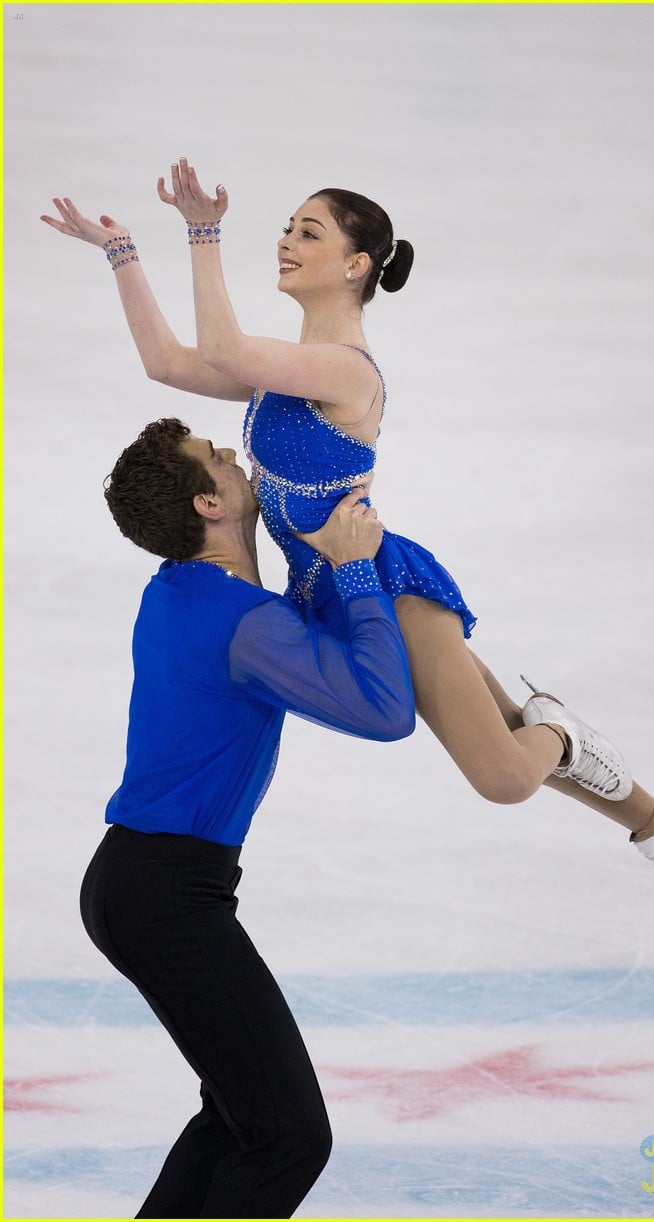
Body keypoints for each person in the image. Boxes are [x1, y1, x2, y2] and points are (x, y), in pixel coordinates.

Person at [43, 165, 654, 952]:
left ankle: (560, 731)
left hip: (384, 589)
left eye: (307, 232)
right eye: (287, 228)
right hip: (327, 590)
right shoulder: (282, 373)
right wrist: (121, 251)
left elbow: (220, 345)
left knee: (504, 772)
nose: (286, 242)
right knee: (498, 735)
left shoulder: (343, 371)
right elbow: (169, 363)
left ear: (357, 266)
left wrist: (200, 230)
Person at [79, 416, 415, 1217]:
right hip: (165, 898)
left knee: (240, 1121)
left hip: (142, 885)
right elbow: (383, 710)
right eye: (219, 460)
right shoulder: (241, 624)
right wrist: (357, 573)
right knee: (289, 1136)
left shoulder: (183, 592)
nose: (236, 457)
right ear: (209, 504)